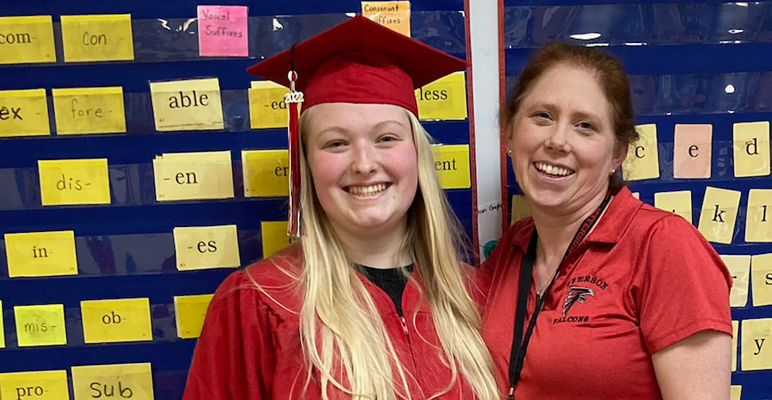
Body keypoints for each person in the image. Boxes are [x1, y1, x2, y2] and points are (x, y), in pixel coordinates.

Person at [183, 16, 501, 400]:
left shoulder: (476, 296)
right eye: (336, 143)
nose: (364, 164)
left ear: (417, 154)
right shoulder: (257, 303)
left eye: (386, 138)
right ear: (307, 164)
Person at [482, 41, 732, 400]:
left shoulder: (663, 246)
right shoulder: (513, 247)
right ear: (509, 131)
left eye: (585, 126)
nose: (557, 140)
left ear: (617, 152)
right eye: (542, 116)